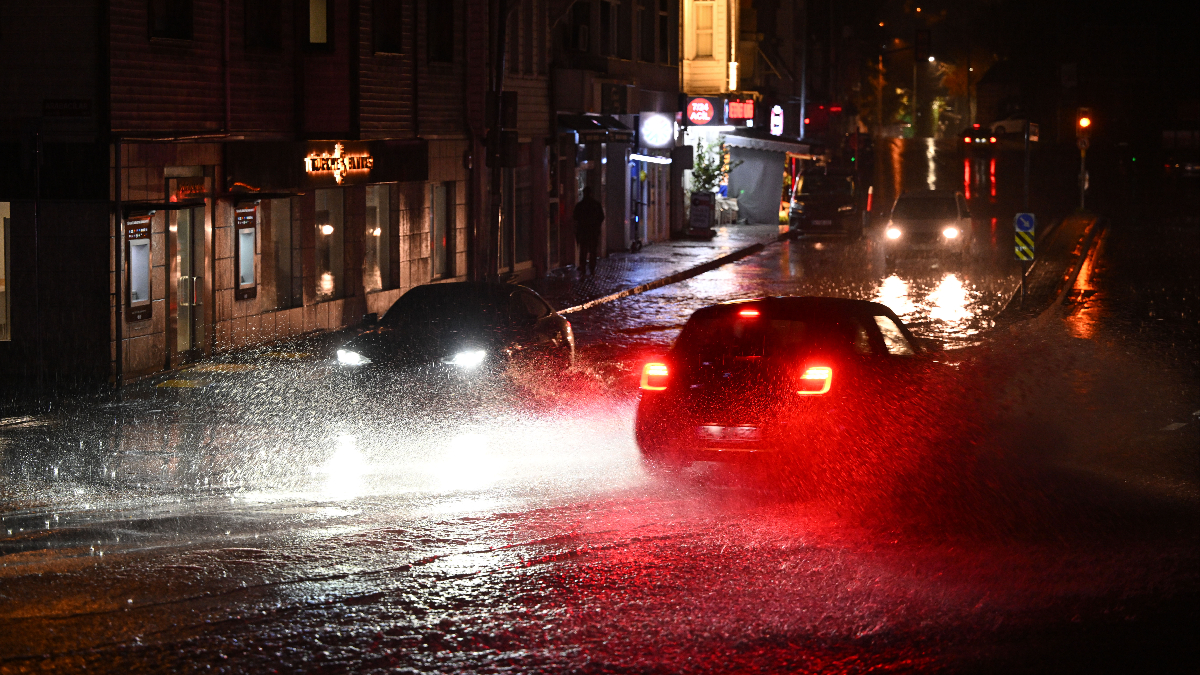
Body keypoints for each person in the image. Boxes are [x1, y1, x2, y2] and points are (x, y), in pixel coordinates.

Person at [573, 186, 604, 276]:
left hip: (583, 232)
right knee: (592, 251)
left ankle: (583, 267)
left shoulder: (580, 205)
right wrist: (597, 226)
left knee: (583, 251)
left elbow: (575, 217)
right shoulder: (596, 205)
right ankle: (592, 268)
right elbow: (601, 217)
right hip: (593, 232)